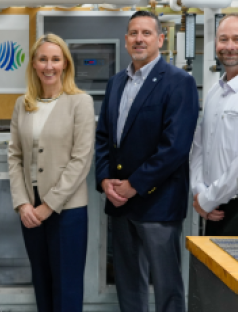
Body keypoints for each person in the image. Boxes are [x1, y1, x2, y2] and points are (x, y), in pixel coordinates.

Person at [95, 11, 199, 312]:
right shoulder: (116, 82)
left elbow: (175, 147)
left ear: (161, 39)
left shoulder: (179, 82)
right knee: (128, 286)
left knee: (167, 286)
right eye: (133, 33)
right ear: (126, 40)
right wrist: (105, 180)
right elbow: (104, 138)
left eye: (146, 33)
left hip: (159, 205)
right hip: (119, 203)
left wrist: (134, 185)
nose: (139, 39)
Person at [8, 33, 95, 312]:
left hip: (67, 209)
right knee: (42, 283)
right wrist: (23, 203)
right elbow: (15, 155)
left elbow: (81, 160)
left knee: (66, 288)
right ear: (33, 64)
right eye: (43, 59)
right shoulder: (23, 104)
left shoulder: (80, 102)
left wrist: (48, 206)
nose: (49, 66)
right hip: (30, 210)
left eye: (55, 59)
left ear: (65, 65)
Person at [191, 13, 238, 236]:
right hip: (213, 207)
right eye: (223, 39)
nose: (229, 46)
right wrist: (199, 191)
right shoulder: (214, 92)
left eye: (237, 39)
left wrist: (209, 199)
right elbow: (200, 146)